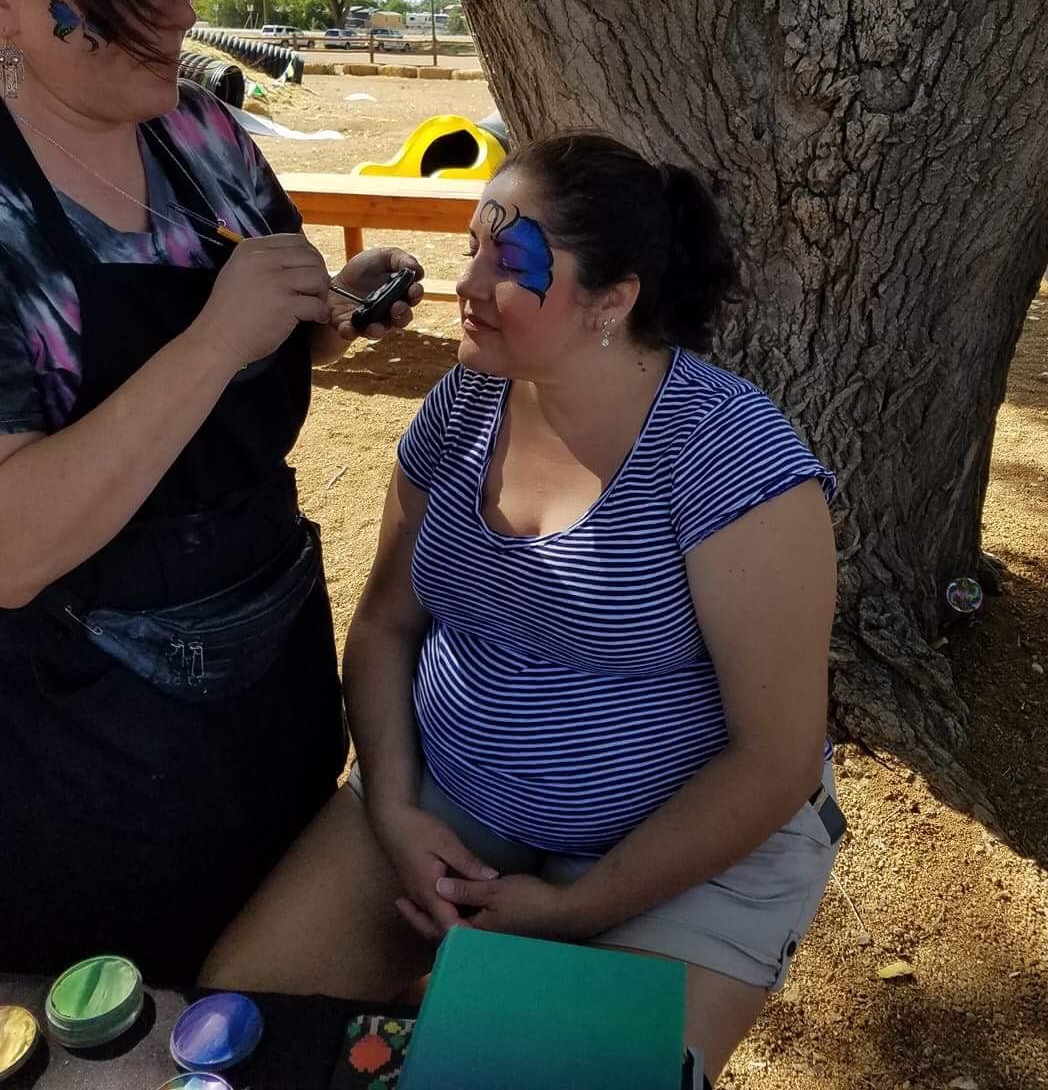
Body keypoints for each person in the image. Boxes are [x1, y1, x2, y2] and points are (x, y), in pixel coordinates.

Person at [203, 133, 843, 1076]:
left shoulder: (733, 464)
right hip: (451, 801)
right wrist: (395, 811)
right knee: (244, 1030)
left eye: (510, 261)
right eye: (473, 248)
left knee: (528, 1072)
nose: (467, 282)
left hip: (681, 851)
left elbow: (774, 760)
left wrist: (572, 912)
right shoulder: (466, 400)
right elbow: (385, 624)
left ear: (612, 300)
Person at [0, 0, 422, 983]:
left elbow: (263, 354)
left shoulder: (203, 139)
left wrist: (329, 309)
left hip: (268, 670)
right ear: (6, 3)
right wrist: (210, 342)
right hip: (86, 750)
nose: (181, 14)